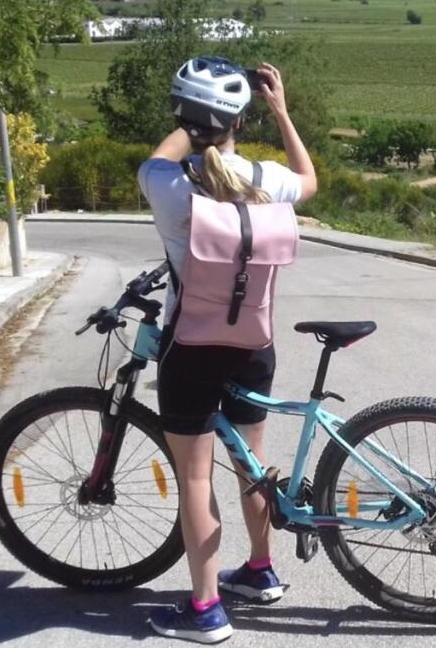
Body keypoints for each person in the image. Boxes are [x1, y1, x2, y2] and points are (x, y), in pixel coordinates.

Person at [137, 56, 317, 643]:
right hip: (253, 344)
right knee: (251, 463)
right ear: (238, 118)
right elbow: (309, 181)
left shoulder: (167, 185)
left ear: (184, 115)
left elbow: (158, 159)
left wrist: (189, 127)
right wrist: (281, 112)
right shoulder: (267, 179)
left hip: (191, 348)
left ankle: (206, 608)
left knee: (195, 478)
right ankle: (261, 571)